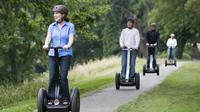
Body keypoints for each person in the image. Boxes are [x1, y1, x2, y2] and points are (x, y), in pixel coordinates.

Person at [43, 5, 75, 105]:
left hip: (65, 54)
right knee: (53, 76)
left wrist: (68, 45)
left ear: (63, 14)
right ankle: (52, 98)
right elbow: (48, 37)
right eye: (54, 13)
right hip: (53, 54)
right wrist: (46, 44)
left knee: (63, 76)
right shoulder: (51, 26)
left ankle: (65, 98)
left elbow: (71, 38)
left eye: (57, 13)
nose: (55, 15)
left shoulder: (70, 26)